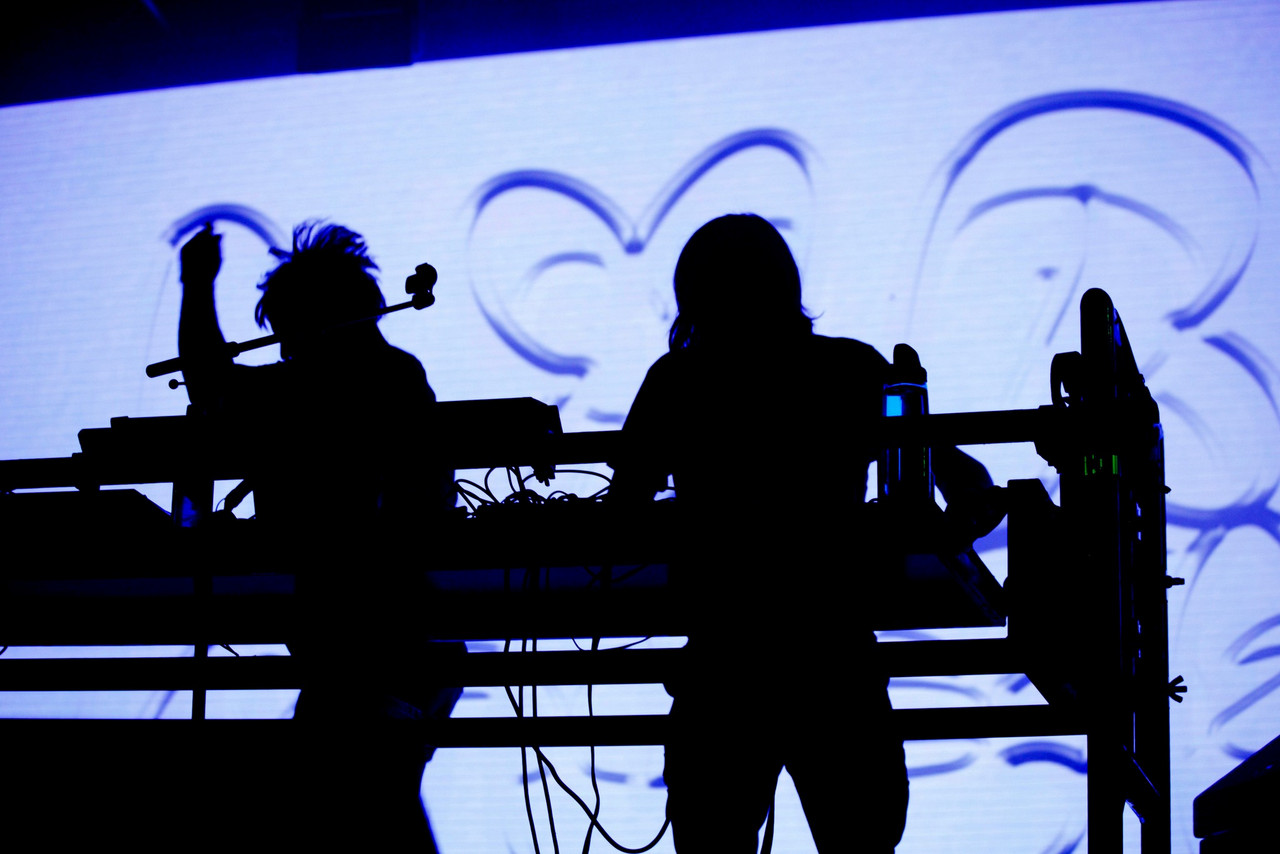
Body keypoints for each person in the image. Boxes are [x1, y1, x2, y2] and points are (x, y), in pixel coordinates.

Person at [610, 214, 998, 852]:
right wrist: (900, 529)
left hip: (722, 668)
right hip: (835, 662)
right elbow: (971, 483)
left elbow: (621, 517)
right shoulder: (851, 368)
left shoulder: (676, 379)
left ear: (694, 296)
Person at [178, 220, 459, 849]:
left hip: (376, 645)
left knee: (352, 796)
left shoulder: (343, 382)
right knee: (375, 798)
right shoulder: (389, 374)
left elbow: (212, 385)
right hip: (401, 645)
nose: (282, 349)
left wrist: (196, 285)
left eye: (285, 334)